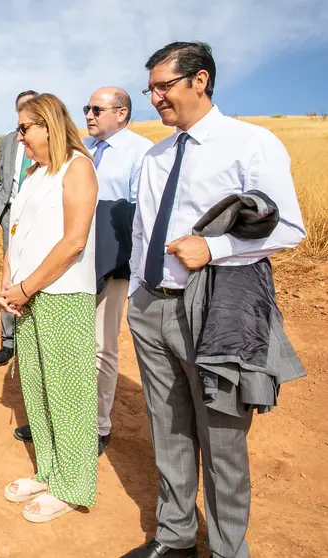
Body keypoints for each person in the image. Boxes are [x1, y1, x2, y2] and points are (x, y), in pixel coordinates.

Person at [121, 42, 306, 558]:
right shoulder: (156, 156)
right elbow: (142, 232)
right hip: (151, 307)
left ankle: (228, 550)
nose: (155, 97)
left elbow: (291, 227)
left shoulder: (251, 143)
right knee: (168, 428)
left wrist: (216, 247)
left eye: (164, 86)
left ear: (199, 80)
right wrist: (139, 291)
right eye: (150, 88)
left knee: (222, 440)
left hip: (214, 308)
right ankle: (176, 536)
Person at [0, 93, 99, 523]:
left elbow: (74, 241)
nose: (19, 139)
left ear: (49, 125)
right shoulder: (37, 173)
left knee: (68, 393)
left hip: (62, 296)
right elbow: (16, 232)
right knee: (37, 391)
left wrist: (26, 287)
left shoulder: (78, 167)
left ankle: (73, 485)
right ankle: (50, 472)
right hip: (28, 295)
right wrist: (7, 282)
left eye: (25, 129)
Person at [82, 87, 154, 456]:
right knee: (70, 343)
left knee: (101, 346)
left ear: (122, 113)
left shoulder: (140, 153)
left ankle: (97, 425)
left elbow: (140, 217)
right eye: (87, 108)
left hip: (113, 266)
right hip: (75, 262)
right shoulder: (82, 149)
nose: (89, 115)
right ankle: (67, 418)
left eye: (97, 109)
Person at [0, 89, 38, 444]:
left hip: (39, 214)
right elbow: (0, 179)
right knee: (9, 274)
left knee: (32, 276)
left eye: (28, 109)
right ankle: (9, 341)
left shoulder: (50, 145)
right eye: (19, 109)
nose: (21, 115)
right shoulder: (9, 141)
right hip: (12, 214)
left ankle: (29, 341)